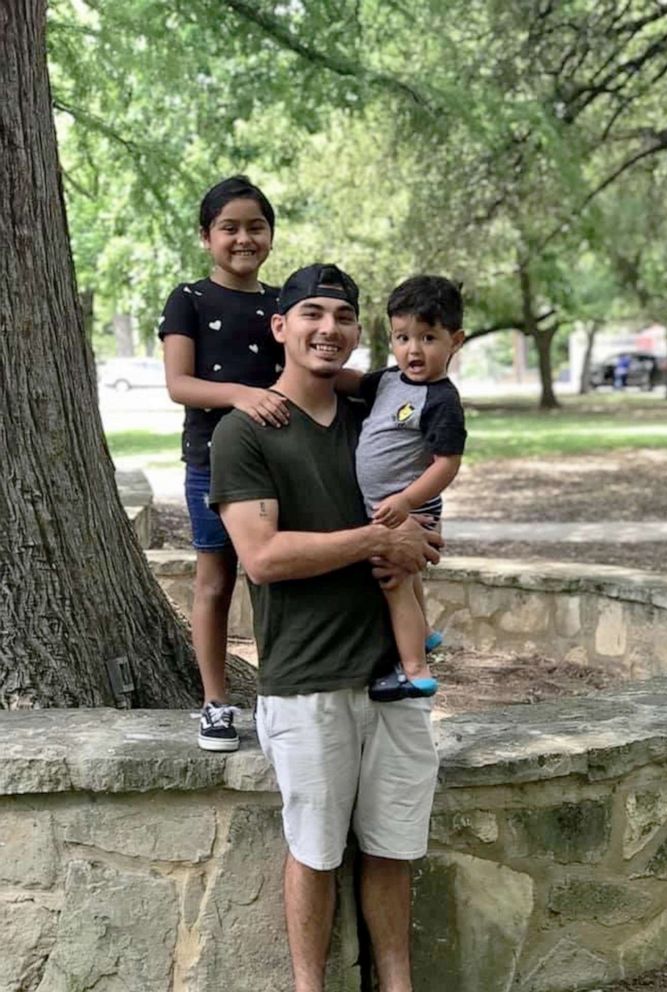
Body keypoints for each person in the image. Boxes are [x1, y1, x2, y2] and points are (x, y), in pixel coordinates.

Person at [209, 262, 442, 992]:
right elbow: (264, 556)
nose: (328, 329)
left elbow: (421, 524)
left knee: (392, 849)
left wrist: (416, 538)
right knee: (314, 851)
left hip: (392, 682)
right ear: (280, 327)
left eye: (343, 317)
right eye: (311, 313)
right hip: (307, 682)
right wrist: (376, 542)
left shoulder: (376, 425)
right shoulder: (244, 435)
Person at [159, 175, 289, 752]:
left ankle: (281, 694)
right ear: (206, 236)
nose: (243, 239)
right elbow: (179, 384)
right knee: (214, 583)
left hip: (280, 463)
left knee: (275, 578)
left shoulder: (282, 303)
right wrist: (241, 394)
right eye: (229, 228)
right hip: (213, 465)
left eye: (255, 227)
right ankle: (215, 703)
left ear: (271, 235)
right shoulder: (188, 299)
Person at [351, 275, 466, 698]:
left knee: (394, 581)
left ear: (455, 340)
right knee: (408, 578)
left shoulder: (441, 400)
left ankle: (415, 670)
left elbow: (446, 464)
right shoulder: (388, 381)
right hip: (385, 507)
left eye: (427, 338)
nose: (413, 350)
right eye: (402, 337)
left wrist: (406, 500)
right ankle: (427, 631)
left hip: (409, 509)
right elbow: (349, 383)